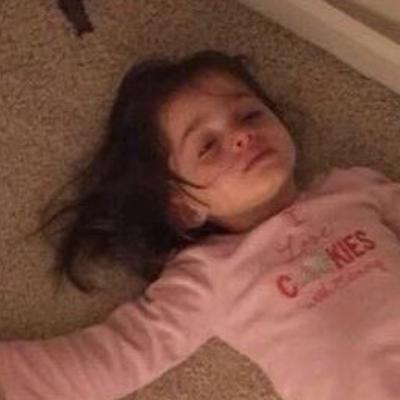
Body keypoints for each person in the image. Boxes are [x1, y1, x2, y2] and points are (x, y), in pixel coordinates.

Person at [1, 49, 400, 400]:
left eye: (250, 114)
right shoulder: (212, 274)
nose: (242, 135)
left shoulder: (354, 187)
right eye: (207, 146)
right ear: (184, 208)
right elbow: (122, 355)